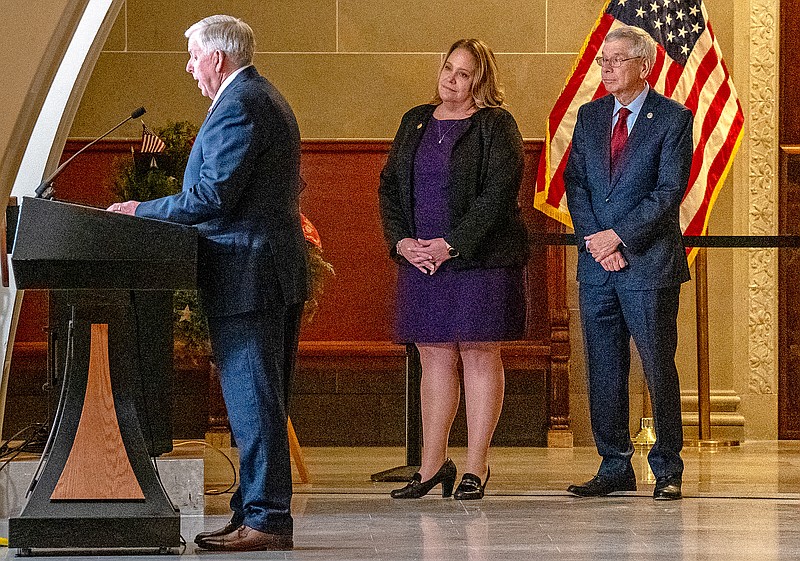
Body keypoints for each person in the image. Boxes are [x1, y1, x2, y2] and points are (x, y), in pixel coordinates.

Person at [108, 15, 307, 550]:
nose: (190, 67)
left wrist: (139, 210)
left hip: (250, 277)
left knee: (255, 403)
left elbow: (213, 197)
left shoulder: (241, 104)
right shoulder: (260, 97)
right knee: (261, 401)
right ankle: (254, 512)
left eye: (194, 57)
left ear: (217, 58)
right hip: (265, 272)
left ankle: (265, 519)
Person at [378, 39, 528, 501]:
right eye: (448, 69)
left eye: (463, 74)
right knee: (434, 356)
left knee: (480, 354)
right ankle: (429, 467)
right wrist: (403, 242)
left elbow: (498, 195)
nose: (451, 80)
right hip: (422, 261)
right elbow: (390, 186)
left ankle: (475, 466)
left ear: (480, 82)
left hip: (478, 260)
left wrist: (452, 245)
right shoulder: (415, 120)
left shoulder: (496, 125)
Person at [563, 25, 693, 501]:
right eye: (603, 60)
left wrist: (618, 236)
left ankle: (667, 468)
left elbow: (667, 193)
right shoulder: (591, 115)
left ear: (645, 65)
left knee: (658, 366)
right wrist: (597, 242)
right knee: (604, 366)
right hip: (597, 265)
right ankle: (614, 465)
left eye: (617, 60)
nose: (607, 68)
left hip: (649, 264)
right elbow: (576, 184)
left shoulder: (673, 119)